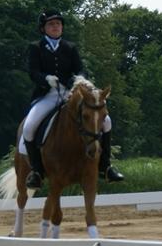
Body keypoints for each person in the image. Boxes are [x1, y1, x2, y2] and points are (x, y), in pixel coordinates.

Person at [21, 10, 125, 188]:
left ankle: (106, 166)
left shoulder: (70, 47)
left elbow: (81, 69)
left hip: (71, 94)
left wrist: (78, 80)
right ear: (43, 28)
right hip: (48, 94)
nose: (56, 27)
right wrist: (45, 79)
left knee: (106, 121)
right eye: (51, 24)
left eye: (58, 24)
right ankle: (37, 171)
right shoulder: (35, 47)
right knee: (29, 127)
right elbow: (33, 72)